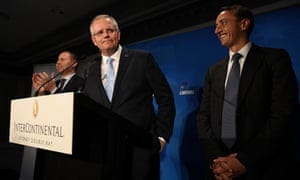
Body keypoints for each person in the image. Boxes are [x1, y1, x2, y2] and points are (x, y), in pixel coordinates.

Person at [197, 5, 299, 180]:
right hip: (220, 169)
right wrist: (217, 160)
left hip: (264, 167)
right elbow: (204, 117)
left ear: (243, 24)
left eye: (223, 23)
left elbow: (282, 113)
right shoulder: (213, 71)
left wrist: (244, 160)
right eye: (216, 25)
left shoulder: (274, 60)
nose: (216, 30)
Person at [84, 14, 176, 180]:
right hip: (102, 151)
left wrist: (162, 137)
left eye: (110, 30)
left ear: (118, 34)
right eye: (100, 32)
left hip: (140, 149)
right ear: (94, 40)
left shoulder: (142, 59)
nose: (105, 35)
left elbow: (165, 98)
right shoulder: (89, 70)